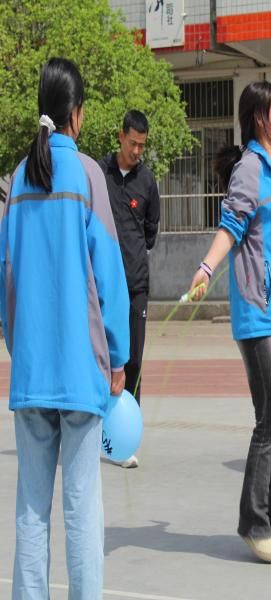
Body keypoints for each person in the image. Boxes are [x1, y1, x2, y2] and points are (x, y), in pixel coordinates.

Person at [0, 57, 129, 599]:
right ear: (76, 113)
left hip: (32, 372)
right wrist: (118, 357)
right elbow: (110, 276)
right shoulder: (88, 175)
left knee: (31, 508)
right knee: (82, 507)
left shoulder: (17, 181)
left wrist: (19, 346)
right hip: (81, 373)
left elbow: (7, 278)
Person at [185, 81, 271, 564]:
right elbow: (231, 226)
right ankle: (253, 523)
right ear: (259, 117)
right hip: (257, 311)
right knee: (268, 421)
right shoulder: (251, 170)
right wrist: (206, 267)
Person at [99, 110, 160, 469]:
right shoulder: (100, 174)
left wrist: (133, 254)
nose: (137, 151)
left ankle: (126, 438)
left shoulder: (147, 181)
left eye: (142, 146)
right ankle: (95, 434)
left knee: (133, 360)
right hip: (103, 284)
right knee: (101, 358)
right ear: (120, 136)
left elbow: (151, 231)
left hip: (135, 284)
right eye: (132, 143)